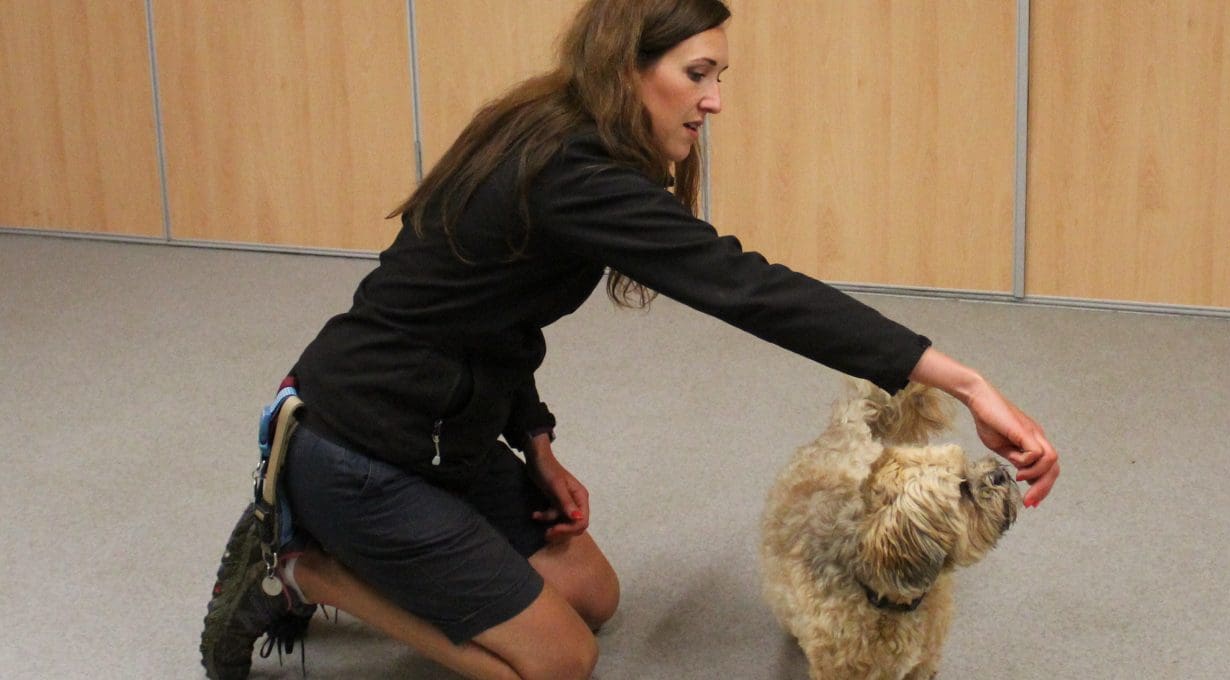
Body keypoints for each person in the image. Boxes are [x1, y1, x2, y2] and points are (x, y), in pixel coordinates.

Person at [198, 1, 1060, 678]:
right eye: (698, 74)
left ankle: (352, 540)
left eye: (719, 74)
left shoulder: (559, 132)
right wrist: (965, 383)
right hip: (361, 445)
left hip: (440, 427)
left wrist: (534, 443)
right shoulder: (566, 167)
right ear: (628, 69)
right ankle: (299, 567)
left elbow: (491, 315)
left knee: (592, 596)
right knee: (556, 662)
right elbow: (748, 287)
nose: (715, 99)